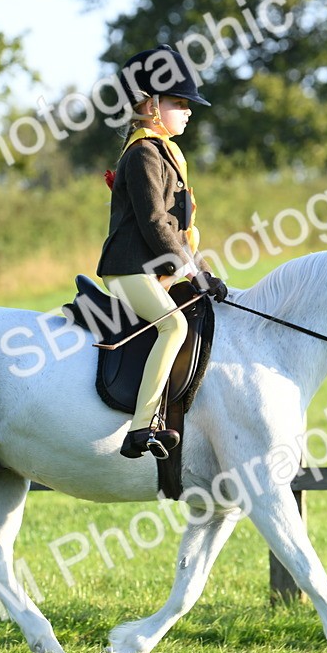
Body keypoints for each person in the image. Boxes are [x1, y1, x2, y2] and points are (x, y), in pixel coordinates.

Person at [96, 45, 228, 459]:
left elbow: (179, 231)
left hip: (151, 268)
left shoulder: (166, 153)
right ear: (150, 105)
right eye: (179, 103)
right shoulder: (143, 154)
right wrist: (191, 273)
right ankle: (142, 427)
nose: (188, 112)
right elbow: (155, 222)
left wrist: (204, 270)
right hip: (129, 269)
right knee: (174, 326)